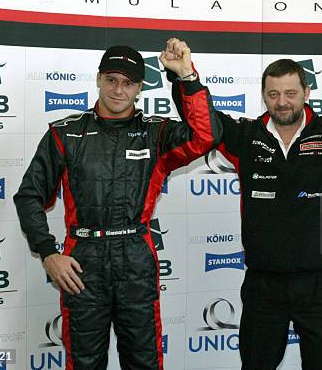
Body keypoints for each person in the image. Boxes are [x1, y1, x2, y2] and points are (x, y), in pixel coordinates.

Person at [202, 25, 322, 370]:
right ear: (264, 96)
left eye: (291, 92)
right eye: (274, 94)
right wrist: (185, 78)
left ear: (306, 92)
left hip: (320, 283)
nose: (283, 101)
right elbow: (203, 123)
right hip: (263, 285)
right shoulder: (246, 137)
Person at [14, 40, 221, 370]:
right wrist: (48, 253)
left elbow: (206, 135)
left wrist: (186, 76)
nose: (118, 90)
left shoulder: (155, 133)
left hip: (135, 259)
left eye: (127, 82)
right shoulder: (65, 133)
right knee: (84, 363)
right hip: (82, 263)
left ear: (139, 87)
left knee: (144, 362)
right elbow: (29, 196)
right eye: (111, 79)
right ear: (98, 79)